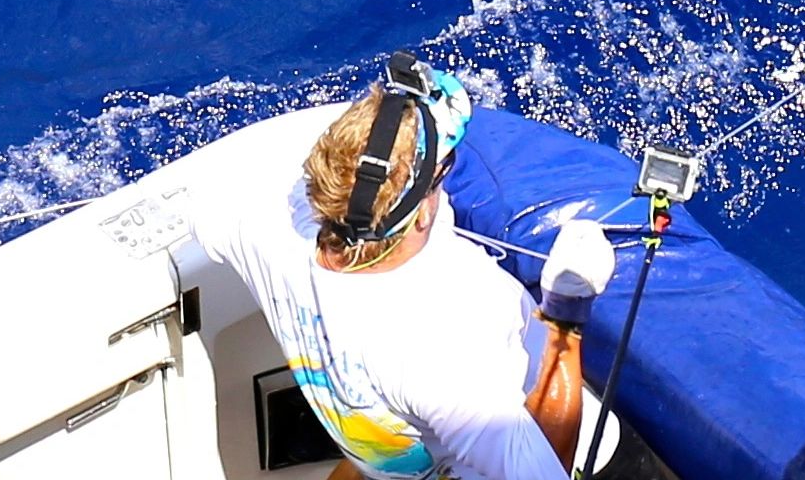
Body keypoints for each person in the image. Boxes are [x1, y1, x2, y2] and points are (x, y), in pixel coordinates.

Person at [194, 55, 614, 480]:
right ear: (420, 217)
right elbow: (542, 474)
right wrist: (566, 316)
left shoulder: (257, 224)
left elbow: (205, 213)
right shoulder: (444, 347)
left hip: (378, 454)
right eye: (443, 169)